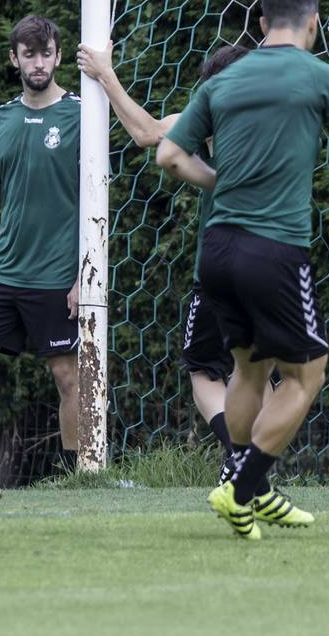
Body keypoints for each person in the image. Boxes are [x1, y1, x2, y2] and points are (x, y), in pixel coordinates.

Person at [157, 0, 329, 539]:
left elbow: (169, 156)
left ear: (260, 24)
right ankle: (243, 487)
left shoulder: (222, 80)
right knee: (308, 372)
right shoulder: (321, 76)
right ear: (313, 22)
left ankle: (247, 488)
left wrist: (222, 182)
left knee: (248, 368)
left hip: (218, 250)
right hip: (274, 249)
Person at [76, 40, 251, 484]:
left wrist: (106, 74)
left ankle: (239, 455)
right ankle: (246, 458)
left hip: (222, 267)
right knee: (260, 369)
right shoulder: (275, 127)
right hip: (278, 266)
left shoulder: (210, 124)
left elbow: (147, 134)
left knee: (203, 370)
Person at [0, 15, 81, 491]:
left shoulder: (82, 115)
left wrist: (84, 275)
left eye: (46, 52)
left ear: (59, 56)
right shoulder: (0, 119)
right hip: (3, 273)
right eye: (30, 54)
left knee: (70, 380)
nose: (39, 62)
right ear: (15, 59)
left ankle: (75, 482)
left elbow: (97, 198)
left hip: (58, 275)